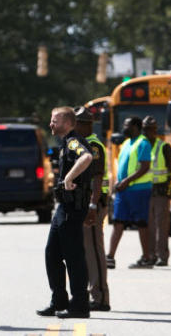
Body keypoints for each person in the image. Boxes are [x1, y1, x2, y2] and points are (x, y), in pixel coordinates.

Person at [37, 106, 94, 319]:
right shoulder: (64, 143)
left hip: (72, 208)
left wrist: (69, 178)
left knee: (74, 257)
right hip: (64, 208)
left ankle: (80, 304)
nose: (51, 124)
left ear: (68, 123)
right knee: (52, 254)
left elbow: (86, 158)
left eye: (55, 121)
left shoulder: (73, 141)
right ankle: (59, 299)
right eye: (51, 120)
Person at [74, 106, 110, 312]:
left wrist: (92, 205)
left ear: (85, 124)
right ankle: (94, 294)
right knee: (87, 251)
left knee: (95, 251)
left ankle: (101, 298)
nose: (74, 126)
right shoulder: (82, 144)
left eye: (77, 123)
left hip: (94, 203)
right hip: (86, 203)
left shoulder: (93, 146)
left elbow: (97, 179)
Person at [106, 116, 153, 269]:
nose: (124, 127)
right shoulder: (126, 143)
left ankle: (146, 257)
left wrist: (127, 181)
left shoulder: (143, 143)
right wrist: (118, 184)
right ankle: (110, 257)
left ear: (136, 127)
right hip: (123, 191)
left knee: (141, 223)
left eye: (127, 125)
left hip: (138, 190)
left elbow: (144, 167)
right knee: (118, 222)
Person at [143, 115, 171, 266]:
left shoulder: (163, 147)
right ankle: (150, 255)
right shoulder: (142, 146)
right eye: (145, 130)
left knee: (161, 226)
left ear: (155, 130)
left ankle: (162, 257)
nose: (147, 132)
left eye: (150, 129)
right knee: (148, 226)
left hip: (161, 193)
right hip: (145, 192)